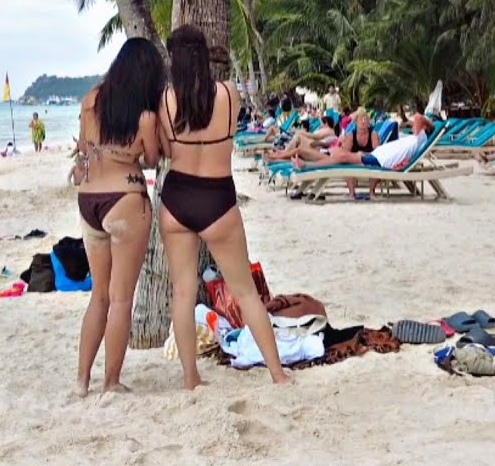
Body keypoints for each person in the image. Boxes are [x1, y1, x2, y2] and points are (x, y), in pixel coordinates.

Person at [158, 26, 290, 388]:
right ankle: (278, 375)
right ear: (203, 56)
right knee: (245, 291)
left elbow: (164, 151)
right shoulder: (228, 94)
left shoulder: (165, 101)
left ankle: (190, 379)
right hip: (217, 196)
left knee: (182, 292)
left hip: (177, 196)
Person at [73, 37, 165, 397]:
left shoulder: (90, 101)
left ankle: (81, 381)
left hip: (88, 199)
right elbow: (152, 160)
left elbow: (83, 149)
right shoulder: (144, 116)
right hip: (125, 198)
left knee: (99, 296)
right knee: (122, 297)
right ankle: (110, 382)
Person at [292, 113, 435, 172]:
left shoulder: (420, 138)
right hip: (379, 155)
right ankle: (305, 163)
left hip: (382, 160)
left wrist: (428, 125)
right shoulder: (416, 138)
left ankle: (306, 165)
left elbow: (417, 117)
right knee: (338, 156)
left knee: (341, 156)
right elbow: (418, 118)